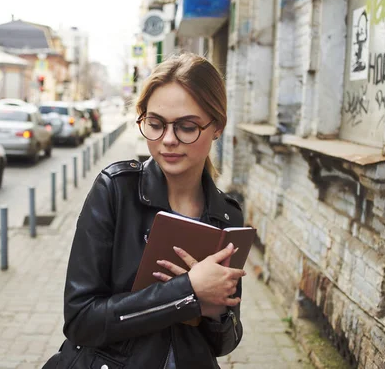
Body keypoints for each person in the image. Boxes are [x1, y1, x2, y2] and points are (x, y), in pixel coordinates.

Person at [45, 53, 247, 369]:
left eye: (186, 126)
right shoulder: (116, 190)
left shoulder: (227, 216)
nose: (168, 140)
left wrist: (216, 313)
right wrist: (188, 292)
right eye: (155, 124)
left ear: (217, 126)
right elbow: (81, 319)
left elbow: (225, 342)